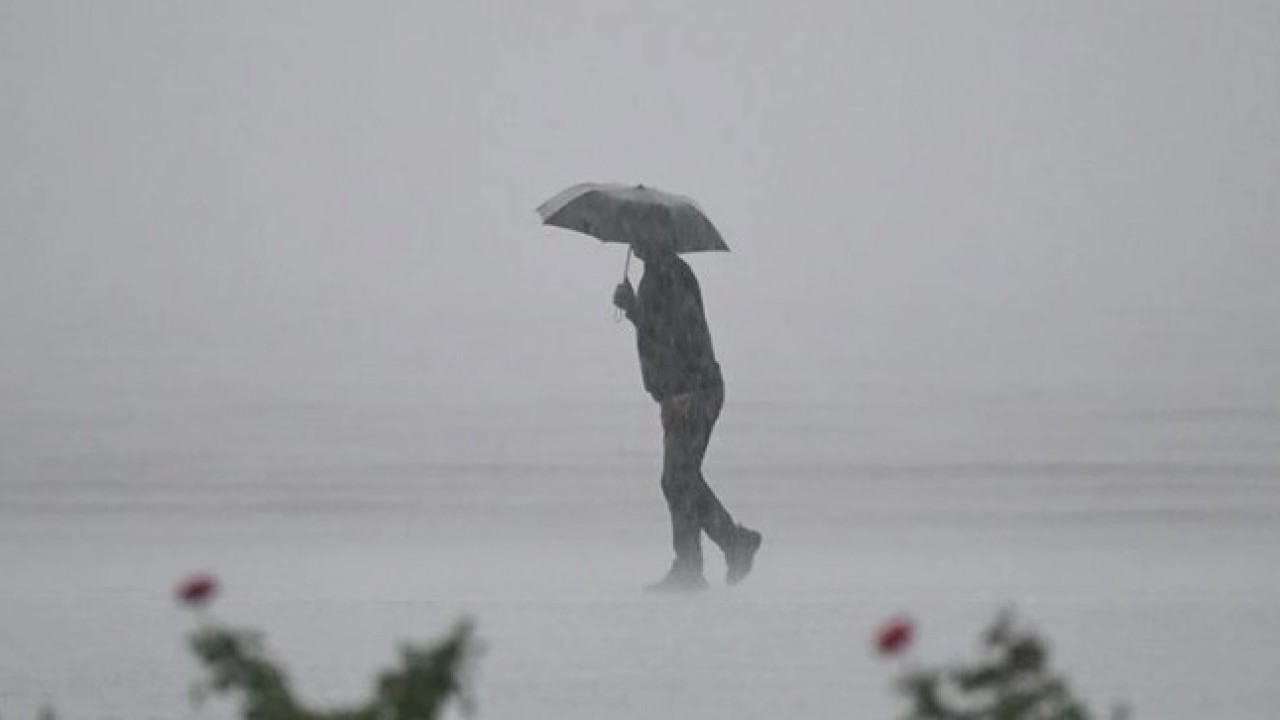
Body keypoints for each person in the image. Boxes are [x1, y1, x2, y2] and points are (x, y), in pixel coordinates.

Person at [612, 239, 762, 591]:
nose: (634, 241)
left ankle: (720, 550)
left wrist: (687, 387)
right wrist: (633, 308)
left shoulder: (672, 273)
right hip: (679, 392)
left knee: (678, 478)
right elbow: (657, 332)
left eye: (640, 233)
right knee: (679, 478)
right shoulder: (655, 273)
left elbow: (689, 332)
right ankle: (700, 561)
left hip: (694, 391)